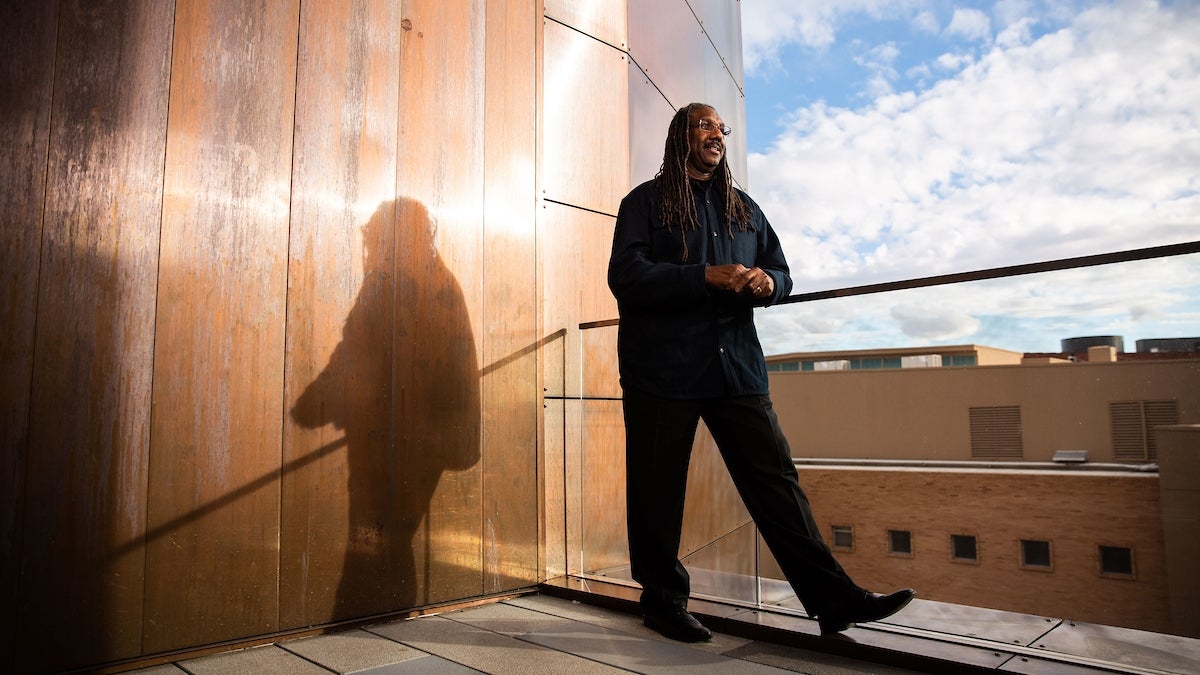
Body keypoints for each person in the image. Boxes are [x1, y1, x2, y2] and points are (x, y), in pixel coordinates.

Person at [608, 102, 915, 642]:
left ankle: (833, 602)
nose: (716, 134)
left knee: (777, 486)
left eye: (721, 128)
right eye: (704, 125)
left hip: (737, 371)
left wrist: (769, 285)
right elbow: (627, 276)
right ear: (681, 135)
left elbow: (781, 271)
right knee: (657, 494)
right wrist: (704, 276)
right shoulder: (644, 203)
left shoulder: (744, 209)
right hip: (662, 372)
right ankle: (661, 602)